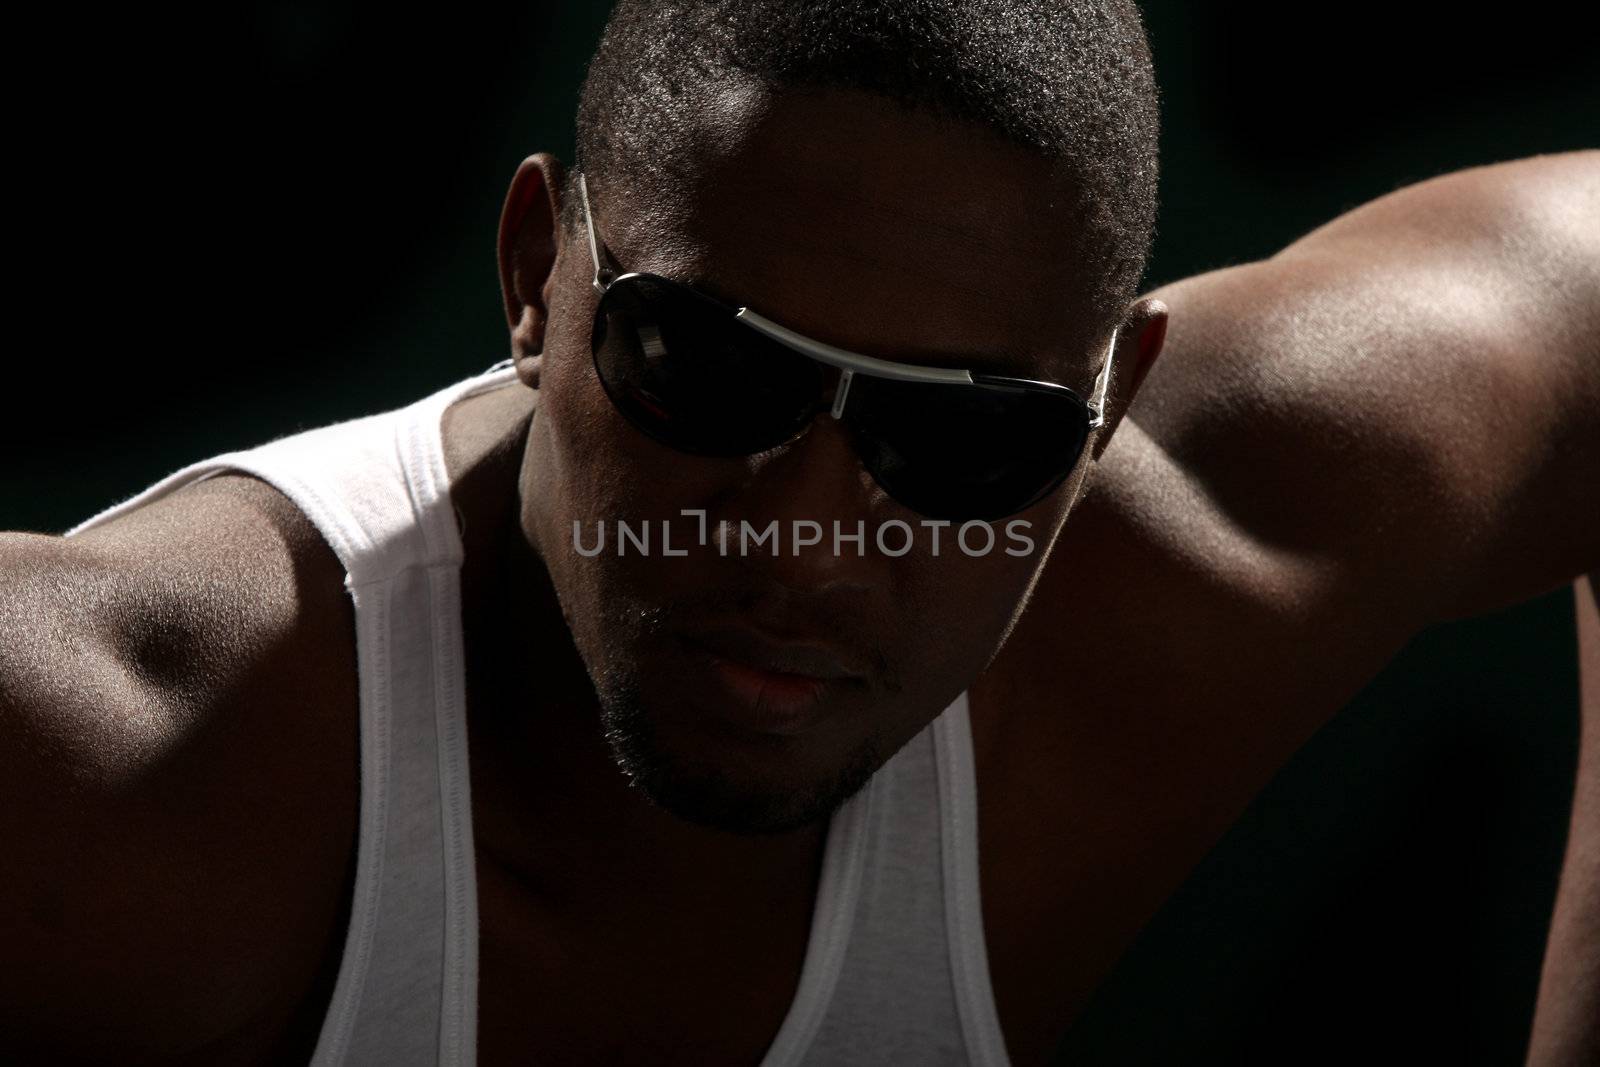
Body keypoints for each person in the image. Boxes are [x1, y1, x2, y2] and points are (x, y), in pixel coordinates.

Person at [2, 2, 1595, 1064]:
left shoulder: (1187, 570)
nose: (809, 541)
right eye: (708, 370)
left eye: (964, 435)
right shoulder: (127, 769)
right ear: (533, 278)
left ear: (1109, 409)